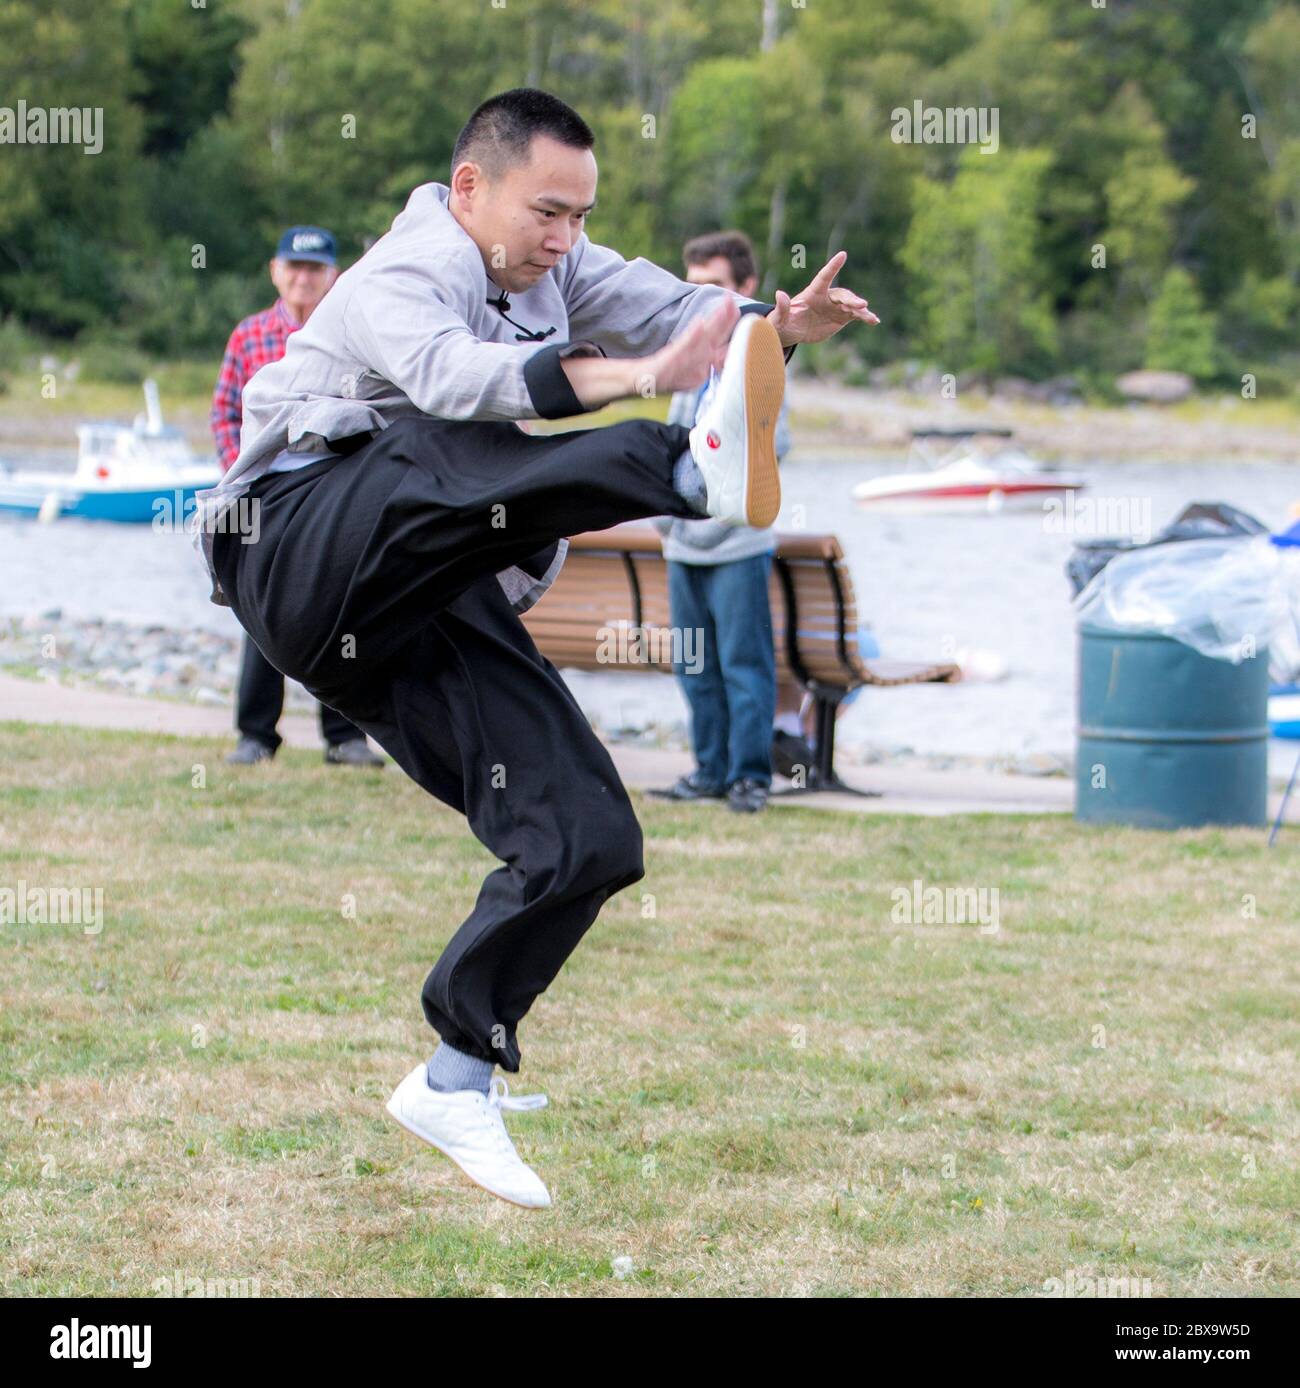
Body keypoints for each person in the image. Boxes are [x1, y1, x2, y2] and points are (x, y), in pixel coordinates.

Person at [192, 88, 878, 1209]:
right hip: (291, 541)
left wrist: (771, 327)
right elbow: (459, 381)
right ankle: (683, 471)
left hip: (406, 602)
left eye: (580, 216)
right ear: (472, 189)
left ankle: (456, 1070)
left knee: (587, 833)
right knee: (446, 429)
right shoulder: (404, 273)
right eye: (546, 212)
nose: (561, 239)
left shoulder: (560, 265)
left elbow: (673, 302)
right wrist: (649, 383)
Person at [210, 225, 385, 768]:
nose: (304, 278)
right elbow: (224, 413)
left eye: (315, 268)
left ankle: (345, 737)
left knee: (341, 612)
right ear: (275, 271)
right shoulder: (249, 335)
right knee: (261, 609)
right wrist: (239, 474)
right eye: (295, 267)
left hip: (334, 496)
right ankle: (256, 735)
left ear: (333, 274)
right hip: (264, 495)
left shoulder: (354, 334)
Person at [649, 231, 793, 814]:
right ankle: (708, 770)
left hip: (733, 547)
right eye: (693, 285)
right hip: (683, 548)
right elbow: (673, 449)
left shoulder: (762, 359)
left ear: (746, 289)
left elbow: (766, 452)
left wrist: (698, 527)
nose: (700, 298)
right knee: (694, 665)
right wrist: (671, 524)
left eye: (713, 286)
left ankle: (748, 778)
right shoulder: (690, 357)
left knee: (743, 665)